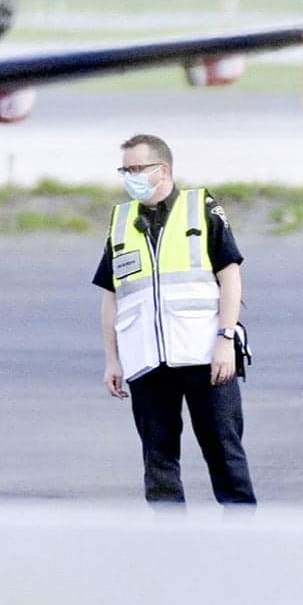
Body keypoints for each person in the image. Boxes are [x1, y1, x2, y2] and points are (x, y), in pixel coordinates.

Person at [93, 133, 256, 506]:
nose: (130, 176)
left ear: (163, 170)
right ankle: (168, 542)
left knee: (224, 452)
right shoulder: (121, 221)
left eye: (137, 168)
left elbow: (230, 277)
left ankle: (243, 534)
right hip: (147, 359)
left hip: (204, 355)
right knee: (158, 459)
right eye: (125, 170)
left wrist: (226, 339)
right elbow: (111, 296)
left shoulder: (201, 208)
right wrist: (113, 359)